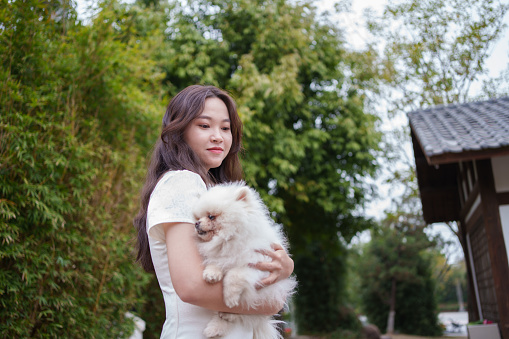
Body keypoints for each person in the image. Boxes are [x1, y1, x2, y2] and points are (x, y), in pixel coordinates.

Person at [134, 85, 294, 338]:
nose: (218, 136)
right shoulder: (181, 183)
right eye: (204, 126)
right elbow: (192, 287)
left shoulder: (213, 190)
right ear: (179, 131)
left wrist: (282, 268)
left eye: (225, 128)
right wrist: (273, 299)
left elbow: (249, 257)